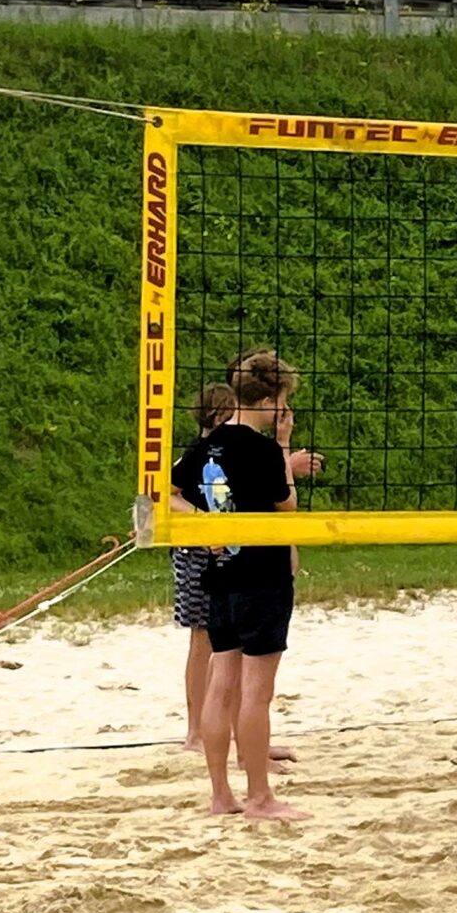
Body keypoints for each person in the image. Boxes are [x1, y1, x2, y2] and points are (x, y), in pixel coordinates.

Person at [172, 350, 304, 822]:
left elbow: (165, 493)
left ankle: (221, 795)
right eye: (282, 400)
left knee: (222, 684)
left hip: (220, 574)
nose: (284, 409)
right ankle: (260, 797)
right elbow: (287, 507)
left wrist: (207, 522)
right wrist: (284, 447)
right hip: (262, 577)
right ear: (267, 401)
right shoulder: (262, 450)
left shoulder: (207, 444)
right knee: (255, 692)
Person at [173, 382, 237, 749]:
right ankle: (195, 730)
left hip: (226, 551)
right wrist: (204, 521)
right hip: (196, 553)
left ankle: (220, 726)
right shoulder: (197, 454)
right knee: (203, 640)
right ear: (219, 415)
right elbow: (164, 497)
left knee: (229, 641)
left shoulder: (231, 452)